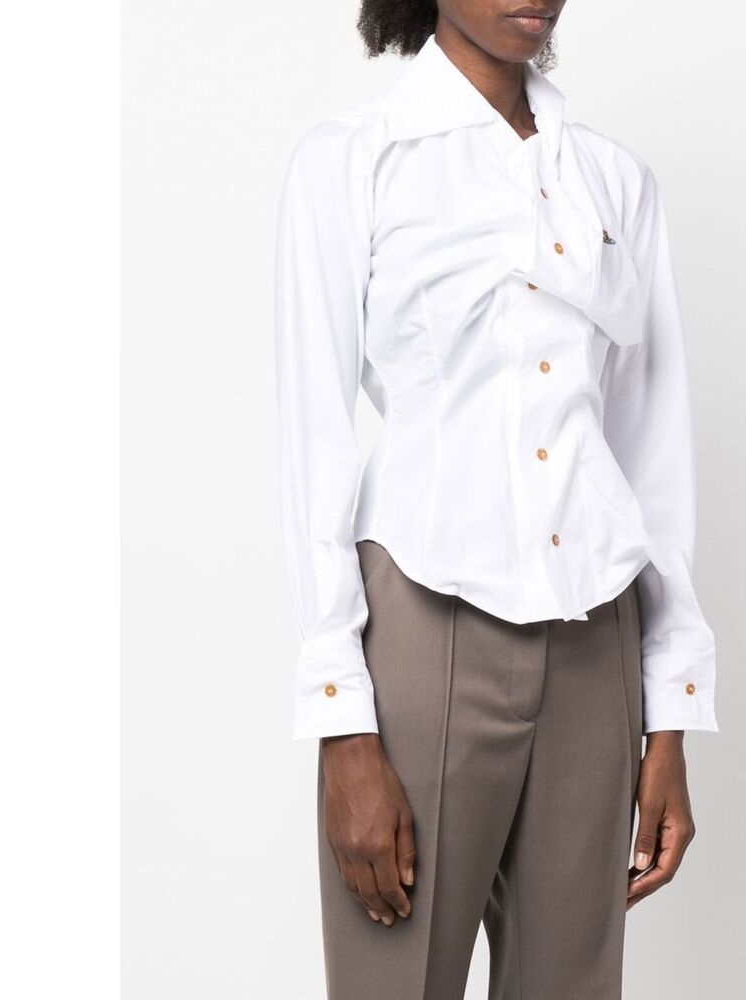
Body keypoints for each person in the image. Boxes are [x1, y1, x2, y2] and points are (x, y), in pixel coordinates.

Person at [274, 2, 719, 997]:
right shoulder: (354, 163)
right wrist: (344, 728)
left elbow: (652, 452)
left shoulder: (613, 180)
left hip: (596, 641)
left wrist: (670, 714)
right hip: (423, 623)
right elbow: (314, 447)